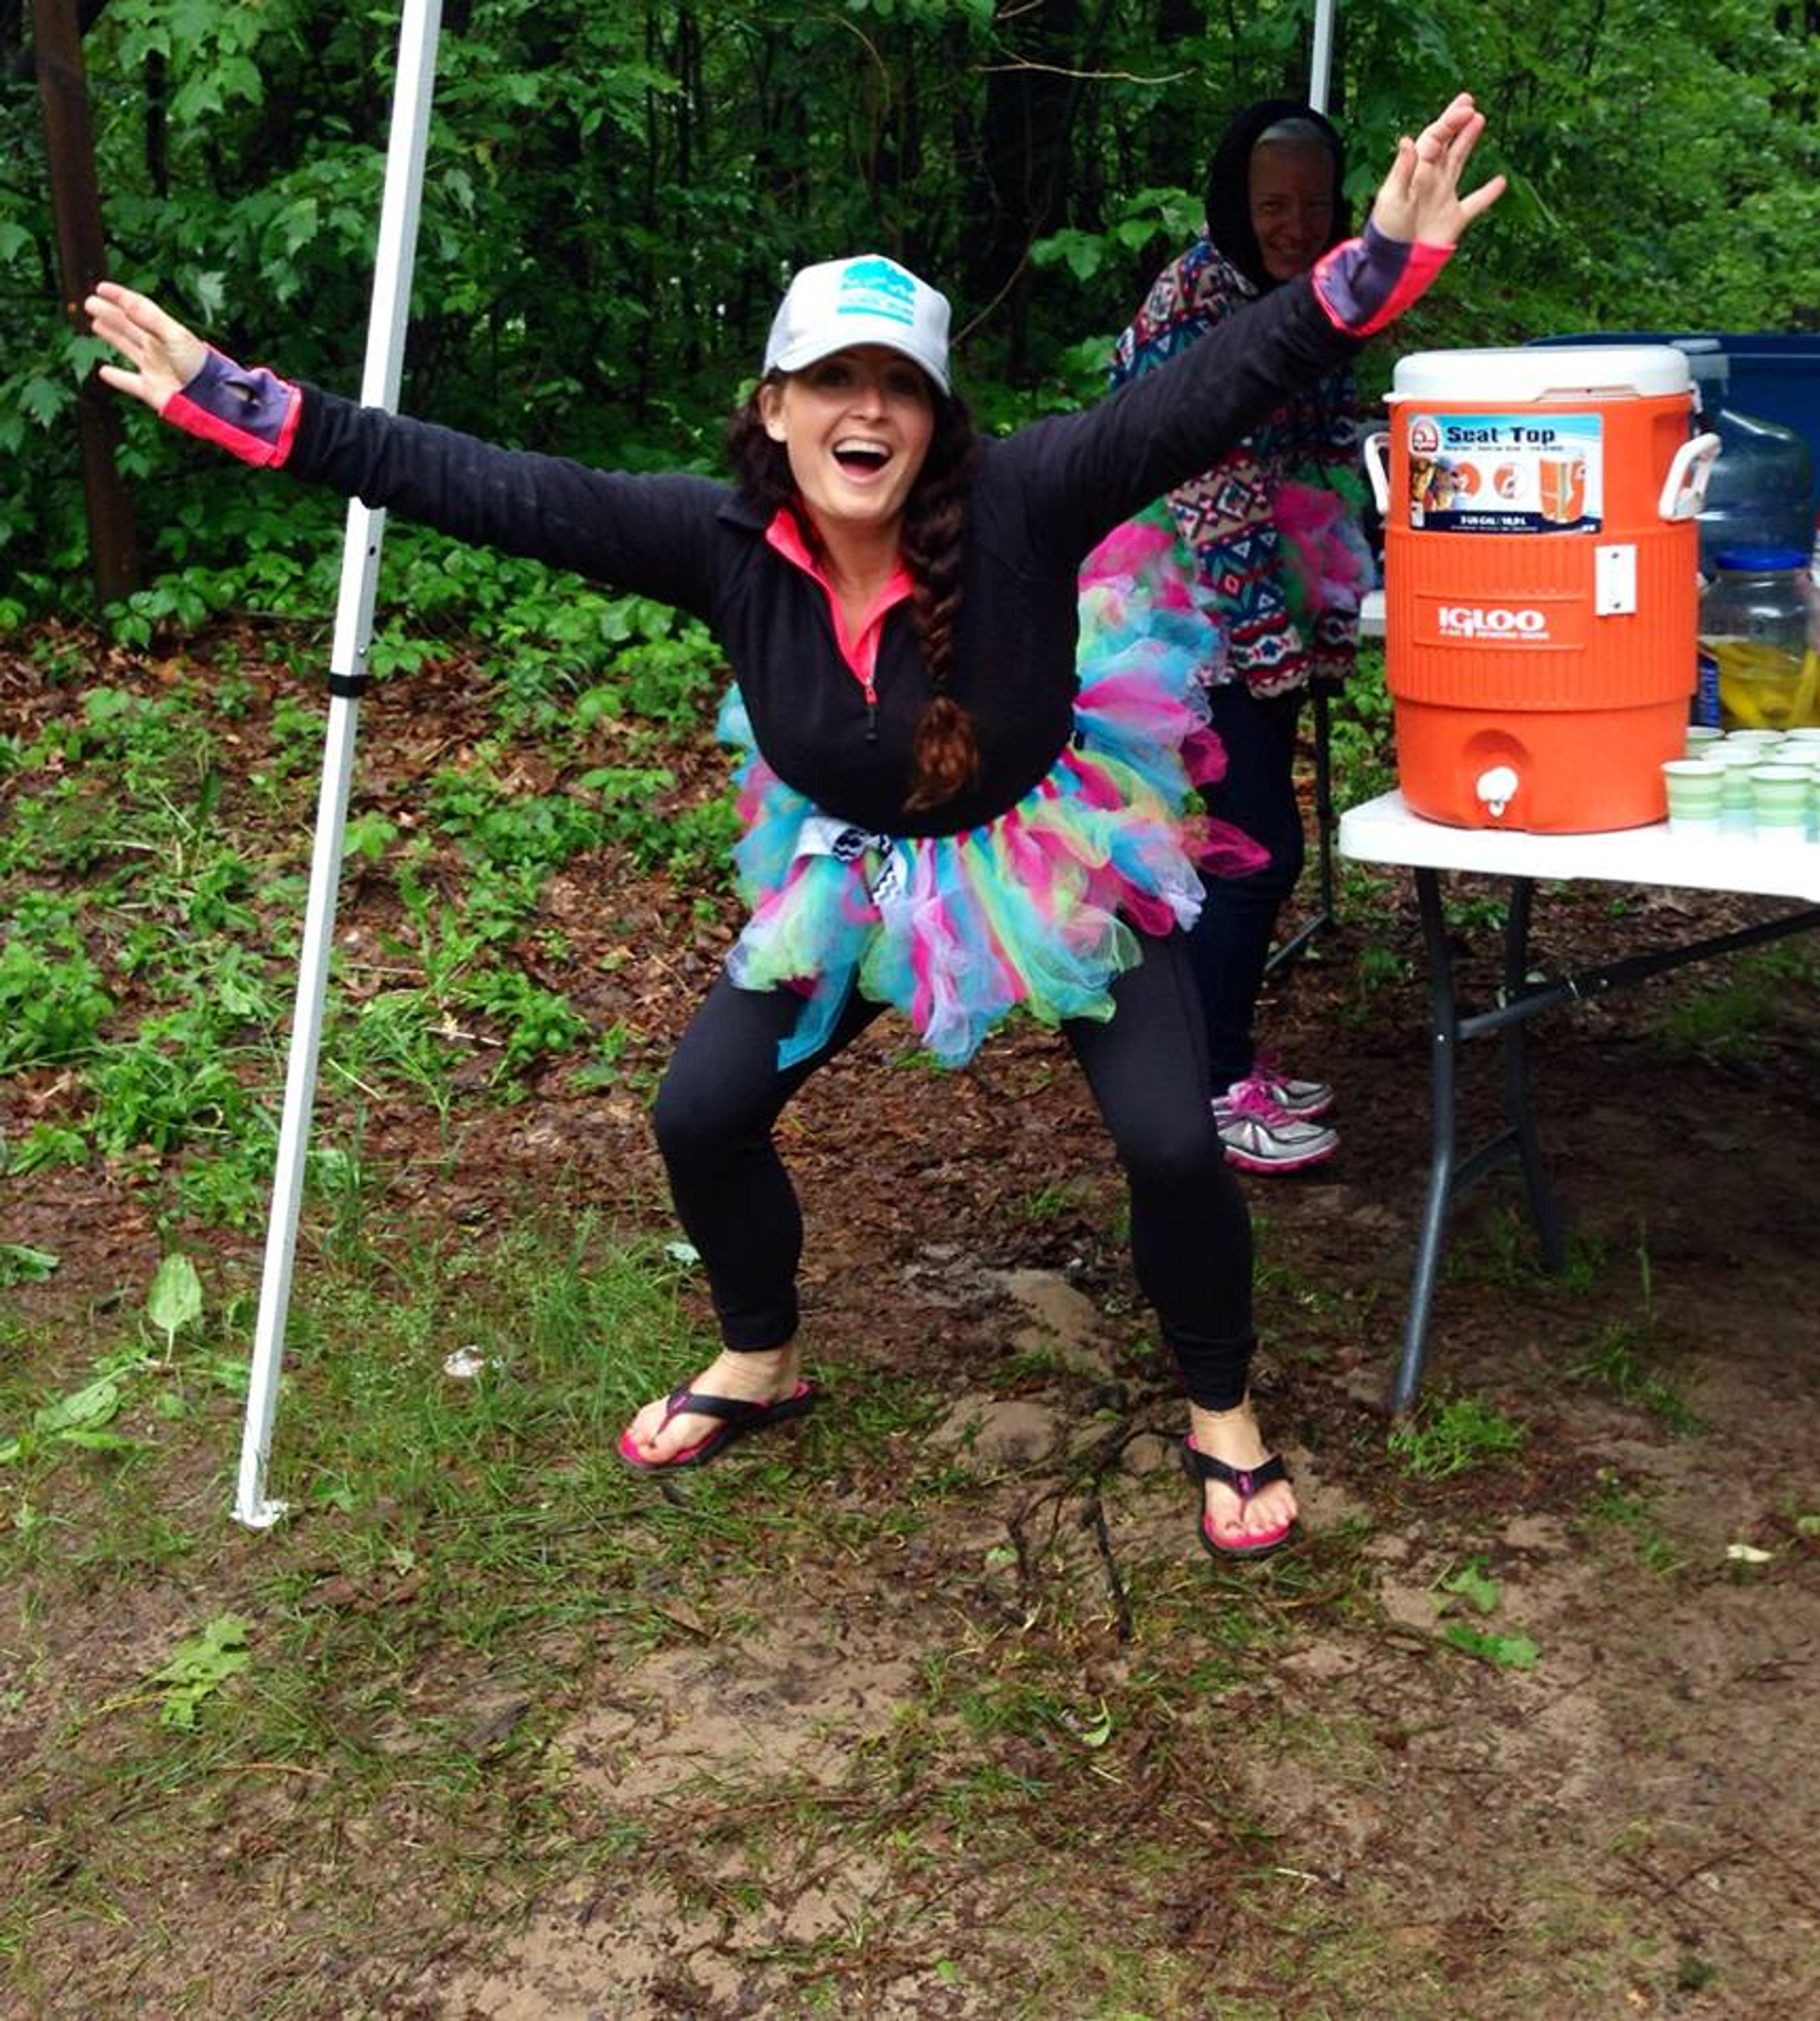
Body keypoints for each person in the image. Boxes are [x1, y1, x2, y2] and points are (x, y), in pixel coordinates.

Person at [86, 95, 1501, 1560]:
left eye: (899, 384)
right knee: (699, 1115)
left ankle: (1221, 1409)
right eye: (832, 380)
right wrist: (240, 400)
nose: (867, 411)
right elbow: (478, 483)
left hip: (1050, 851)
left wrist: (1373, 260)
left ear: (939, 418)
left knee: (1172, 1144)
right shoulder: (714, 544)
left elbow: (1210, 386)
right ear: (774, 406)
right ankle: (760, 1353)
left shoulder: (1027, 498)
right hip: (860, 869)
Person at [1088, 98, 1380, 1175]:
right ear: (1232, 203)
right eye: (1272, 205)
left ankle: (1215, 1060)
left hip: (1261, 583)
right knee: (1259, 849)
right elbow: (1211, 491)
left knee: (1239, 839)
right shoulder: (1197, 299)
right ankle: (1209, 1089)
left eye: (1313, 203)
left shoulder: (1319, 285)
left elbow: (1324, 448)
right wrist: (1270, 649)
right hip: (1184, 602)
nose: (1296, 224)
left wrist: (1325, 612)